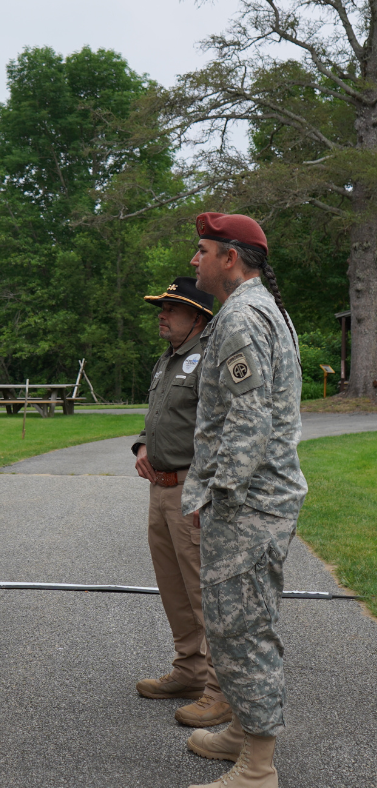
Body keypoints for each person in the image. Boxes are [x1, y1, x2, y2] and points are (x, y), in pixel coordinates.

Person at [180, 213, 307, 788]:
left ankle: (258, 767)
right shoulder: (262, 309)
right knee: (236, 624)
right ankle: (240, 731)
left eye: (202, 250)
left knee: (245, 631)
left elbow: (248, 422)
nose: (194, 260)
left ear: (229, 257)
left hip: (248, 505)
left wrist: (219, 495)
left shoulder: (242, 316)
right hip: (257, 501)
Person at [131, 277, 232, 729]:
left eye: (171, 307)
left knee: (203, 592)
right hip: (160, 487)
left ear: (198, 316)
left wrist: (207, 491)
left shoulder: (212, 357)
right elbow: (159, 416)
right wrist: (141, 444)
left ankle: (220, 690)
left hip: (192, 486)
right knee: (173, 587)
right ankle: (189, 671)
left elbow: (225, 424)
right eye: (162, 307)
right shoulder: (167, 359)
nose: (162, 314)